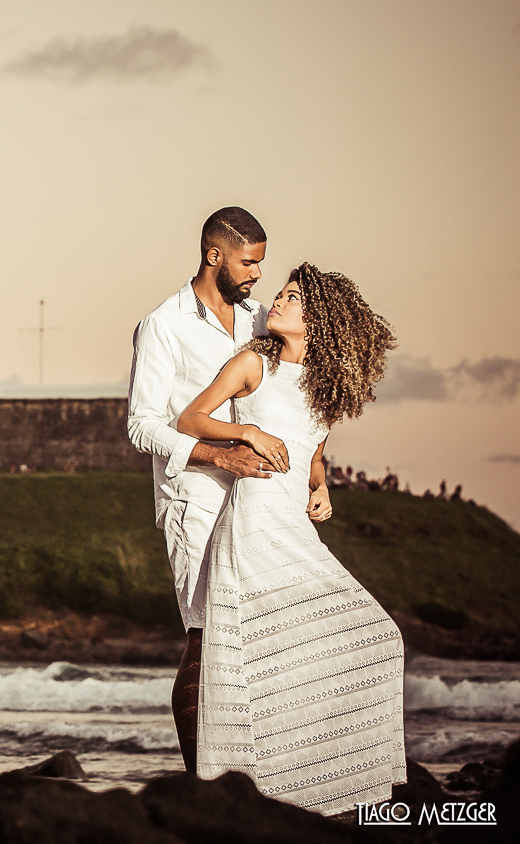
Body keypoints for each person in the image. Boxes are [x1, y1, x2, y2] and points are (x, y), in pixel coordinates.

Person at [176, 263, 403, 815]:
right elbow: (190, 419)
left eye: (292, 297)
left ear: (318, 318)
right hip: (251, 522)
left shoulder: (326, 391)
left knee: (378, 638)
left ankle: (312, 786)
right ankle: (244, 791)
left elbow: (312, 454)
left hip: (294, 527)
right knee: (254, 658)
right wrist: (246, 432)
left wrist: (321, 487)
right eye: (279, 294)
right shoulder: (254, 364)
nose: (276, 301)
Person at [127, 206, 272, 773]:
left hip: (257, 497)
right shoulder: (163, 325)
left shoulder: (260, 320)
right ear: (215, 256)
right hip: (195, 497)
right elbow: (142, 425)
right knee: (206, 637)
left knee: (251, 639)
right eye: (248, 262)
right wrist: (220, 454)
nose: (257, 273)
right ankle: (199, 783)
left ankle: (245, 774)